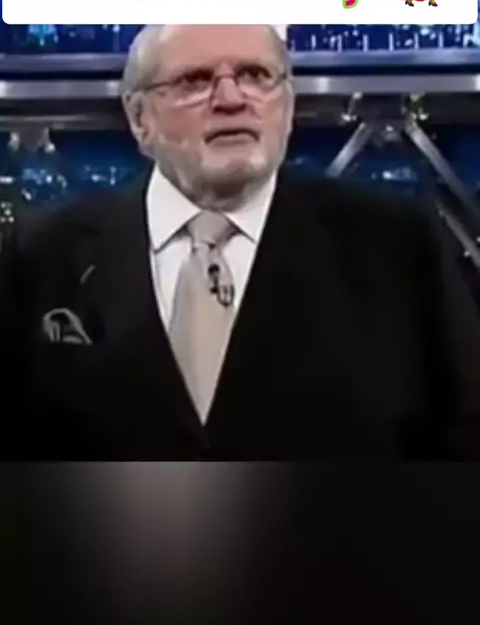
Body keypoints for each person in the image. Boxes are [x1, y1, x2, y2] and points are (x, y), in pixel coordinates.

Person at [1, 23, 480, 460]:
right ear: (139, 118)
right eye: (194, 81)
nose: (231, 99)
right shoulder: (40, 254)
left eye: (255, 75)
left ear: (287, 106)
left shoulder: (399, 246)